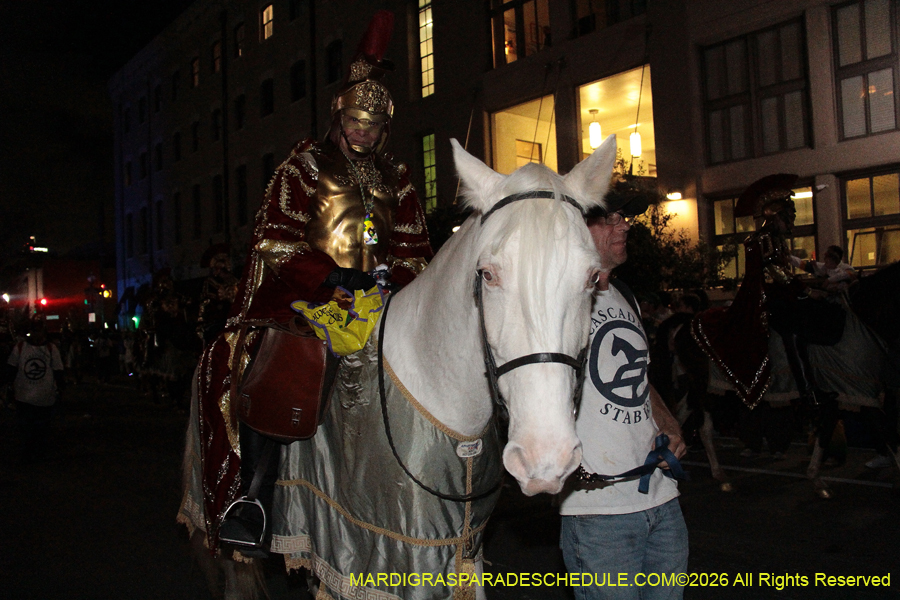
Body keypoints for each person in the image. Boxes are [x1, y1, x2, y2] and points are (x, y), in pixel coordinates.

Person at [193, 10, 432, 556]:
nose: (362, 133)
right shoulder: (303, 168)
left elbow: (417, 249)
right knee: (288, 354)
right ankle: (253, 501)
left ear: (385, 127)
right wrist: (330, 274)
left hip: (383, 296)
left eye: (372, 126)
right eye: (354, 122)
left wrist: (391, 281)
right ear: (338, 116)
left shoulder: (398, 179)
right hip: (313, 294)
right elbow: (275, 240)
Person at [559, 189, 688, 600]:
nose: (625, 225)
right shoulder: (555, 301)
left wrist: (666, 420)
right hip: (598, 513)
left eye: (625, 218)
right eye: (611, 218)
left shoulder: (624, 294)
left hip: (661, 496)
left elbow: (637, 375)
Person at [6, 317, 64, 463]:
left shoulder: (51, 349)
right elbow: (11, 370)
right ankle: (28, 453)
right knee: (26, 428)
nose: (36, 334)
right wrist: (8, 387)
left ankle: (38, 452)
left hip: (45, 396)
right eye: (34, 331)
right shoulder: (20, 348)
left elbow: (58, 371)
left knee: (41, 428)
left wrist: (60, 389)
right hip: (23, 396)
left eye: (38, 331)